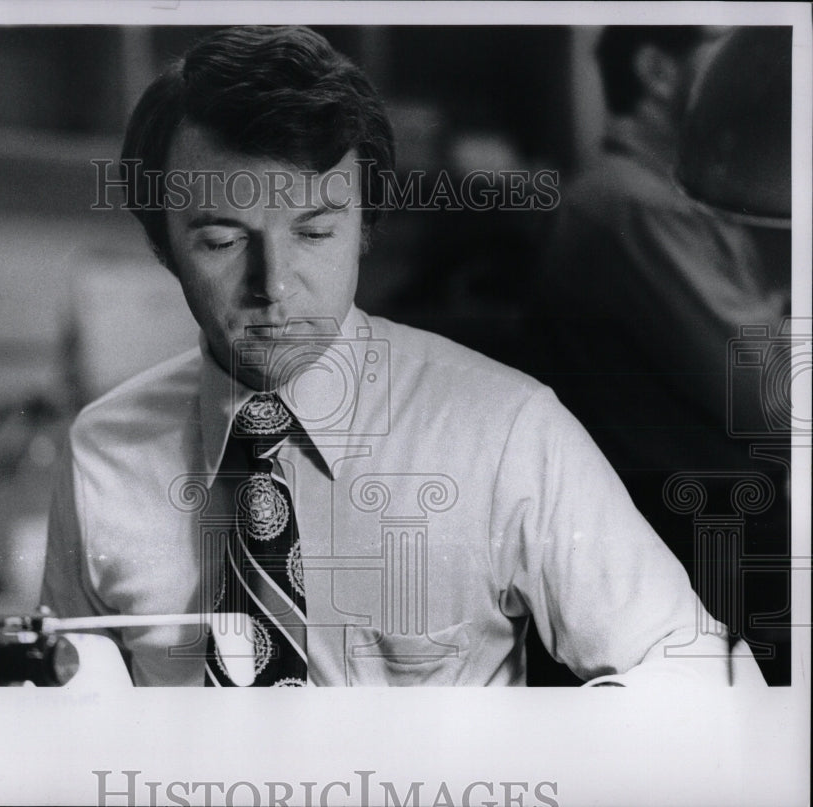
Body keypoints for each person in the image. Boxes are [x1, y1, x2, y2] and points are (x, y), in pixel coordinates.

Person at [41, 25, 763, 687]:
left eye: (316, 232)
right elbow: (69, 707)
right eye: (223, 241)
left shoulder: (507, 429)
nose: (276, 285)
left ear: (365, 226)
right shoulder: (101, 454)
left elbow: (692, 668)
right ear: (162, 244)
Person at [531, 27, 791, 683]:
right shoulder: (632, 205)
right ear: (657, 69)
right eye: (723, 49)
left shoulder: (669, 194)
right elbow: (772, 399)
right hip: (699, 534)